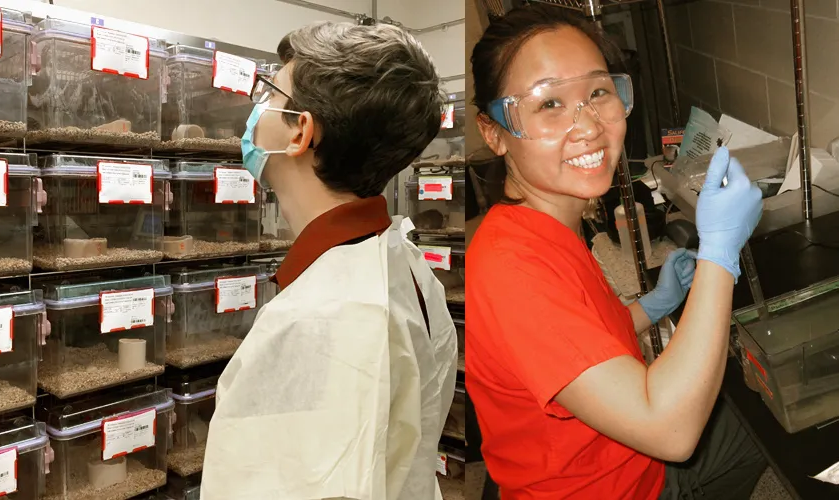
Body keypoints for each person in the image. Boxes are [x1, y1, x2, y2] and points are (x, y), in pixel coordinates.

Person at [465, 5, 768, 500]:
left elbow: (579, 343)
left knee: (752, 425)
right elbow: (670, 431)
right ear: (494, 132)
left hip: (621, 457)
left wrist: (651, 307)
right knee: (743, 423)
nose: (588, 127)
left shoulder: (543, 225)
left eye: (598, 92)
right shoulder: (510, 268)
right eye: (548, 104)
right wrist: (719, 252)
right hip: (606, 489)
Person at [200, 21, 459, 500]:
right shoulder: (403, 261)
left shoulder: (321, 315)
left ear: (300, 131)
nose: (256, 108)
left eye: (270, 92)